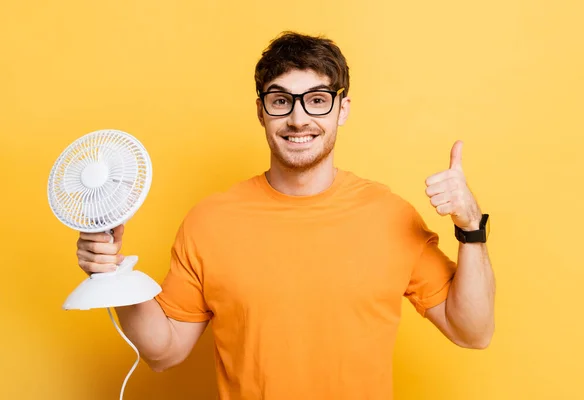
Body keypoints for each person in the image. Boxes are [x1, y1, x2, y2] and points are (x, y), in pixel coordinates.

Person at [75, 31, 496, 399]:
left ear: (342, 109)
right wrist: (111, 276)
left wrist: (470, 227)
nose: (298, 119)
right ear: (261, 110)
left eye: (316, 100)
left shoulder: (390, 216)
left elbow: (472, 331)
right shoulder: (210, 221)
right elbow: (164, 352)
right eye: (281, 100)